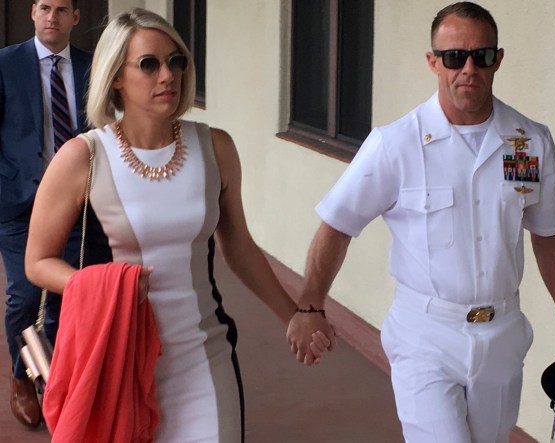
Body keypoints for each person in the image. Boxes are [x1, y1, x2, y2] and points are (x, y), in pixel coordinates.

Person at [287, 2, 555, 442]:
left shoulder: (527, 142)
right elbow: (337, 225)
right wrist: (310, 306)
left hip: (502, 333)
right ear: (433, 62)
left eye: (481, 56)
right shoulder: (396, 144)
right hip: (425, 335)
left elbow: (550, 235)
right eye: (454, 57)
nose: (468, 68)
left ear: (497, 60)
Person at [25, 8, 333, 441]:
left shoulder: (215, 148)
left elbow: (239, 246)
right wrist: (103, 285)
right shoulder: (84, 156)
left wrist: (295, 316)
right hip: (122, 361)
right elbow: (37, 261)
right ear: (116, 76)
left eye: (176, 61)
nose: (167, 75)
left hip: (203, 357)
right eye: (149, 64)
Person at [0, 0, 111, 429]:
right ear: (33, 12)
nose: (52, 17)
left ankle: (53, 377)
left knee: (71, 293)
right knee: (25, 296)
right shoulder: (6, 64)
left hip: (79, 202)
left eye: (62, 9)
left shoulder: (94, 66)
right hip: (20, 202)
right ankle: (21, 377)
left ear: (75, 17)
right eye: (45, 7)